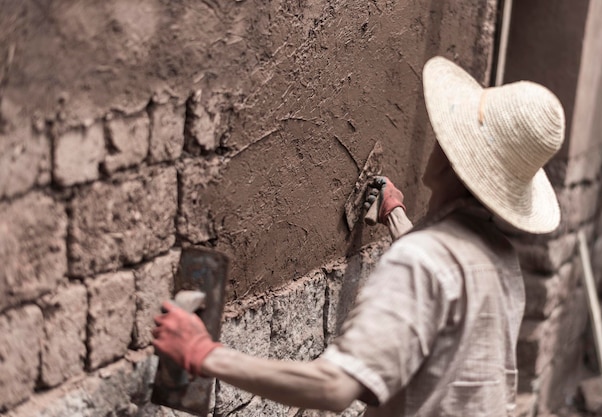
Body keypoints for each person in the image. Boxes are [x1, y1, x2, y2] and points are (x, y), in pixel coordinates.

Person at [152, 56, 565, 416]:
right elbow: (438, 297)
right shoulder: (499, 259)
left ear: (454, 160)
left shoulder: (423, 261)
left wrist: (203, 353)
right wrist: (396, 215)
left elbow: (333, 387)